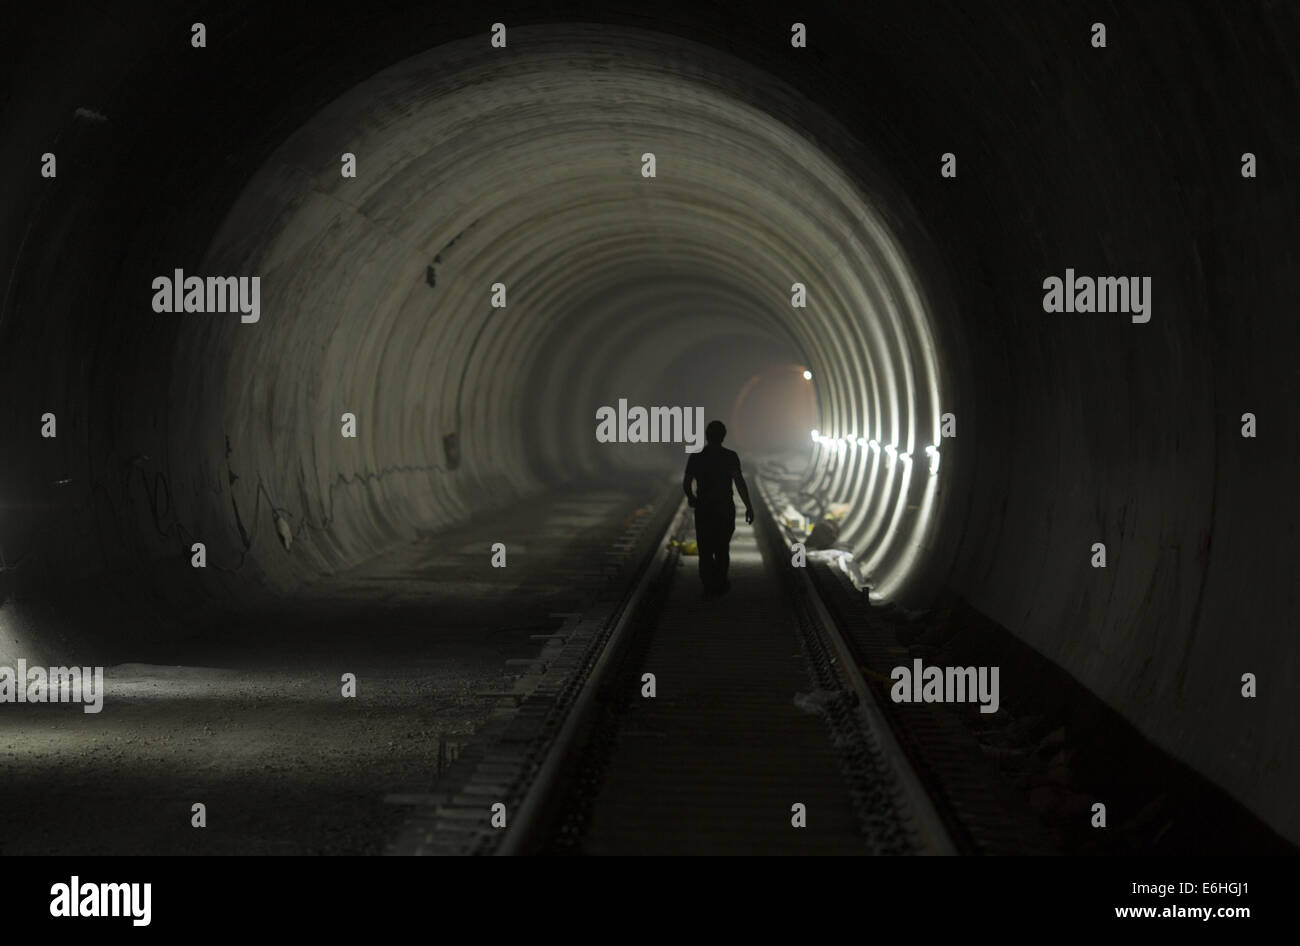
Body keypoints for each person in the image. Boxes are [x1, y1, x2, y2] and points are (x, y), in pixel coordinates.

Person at [682, 420, 753, 596]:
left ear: (706, 436)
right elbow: (739, 482)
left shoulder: (696, 456)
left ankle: (708, 585)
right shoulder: (730, 456)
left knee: (705, 550)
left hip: (704, 508)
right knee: (722, 548)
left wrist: (692, 497)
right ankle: (720, 582)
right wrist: (748, 506)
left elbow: (686, 482)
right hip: (724, 508)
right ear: (723, 437)